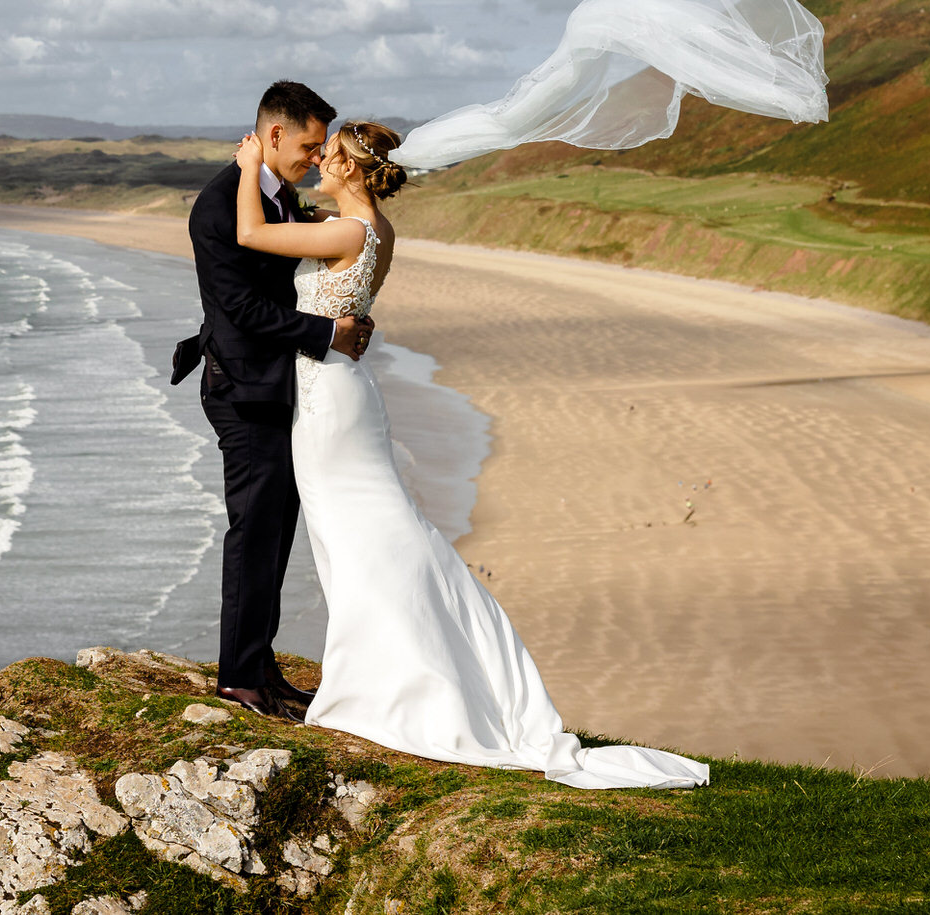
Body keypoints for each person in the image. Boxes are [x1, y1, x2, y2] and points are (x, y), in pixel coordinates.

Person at [227, 119, 710, 789]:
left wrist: (251, 165)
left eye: (329, 157)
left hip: (331, 405)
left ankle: (394, 679)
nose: (318, 165)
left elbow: (252, 233)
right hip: (341, 395)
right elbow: (304, 226)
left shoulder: (345, 230)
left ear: (353, 171)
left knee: (367, 536)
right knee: (373, 534)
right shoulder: (374, 229)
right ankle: (393, 667)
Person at [172, 80, 374, 717]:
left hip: (281, 385)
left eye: (323, 149)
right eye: (309, 146)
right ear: (274, 134)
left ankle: (262, 667)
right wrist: (328, 332)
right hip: (243, 390)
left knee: (274, 533)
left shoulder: (278, 193)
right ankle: (238, 678)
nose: (315, 159)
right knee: (253, 533)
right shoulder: (216, 205)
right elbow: (240, 307)